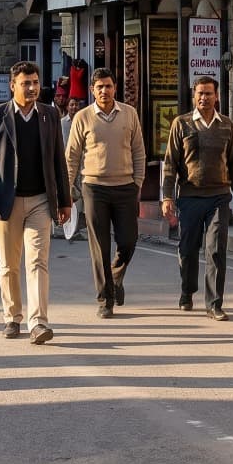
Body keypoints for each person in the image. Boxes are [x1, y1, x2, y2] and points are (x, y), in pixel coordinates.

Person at [0, 62, 70, 343]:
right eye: (25, 83)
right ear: (12, 85)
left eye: (35, 82)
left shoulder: (50, 114)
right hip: (7, 201)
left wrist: (64, 201)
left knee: (38, 261)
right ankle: (12, 317)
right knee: (9, 264)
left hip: (41, 199)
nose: (32, 88)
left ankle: (38, 322)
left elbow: (58, 161)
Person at [161, 76, 233, 321]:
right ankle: (187, 292)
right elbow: (170, 165)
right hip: (189, 197)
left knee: (216, 250)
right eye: (200, 93)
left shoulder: (226, 126)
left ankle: (214, 303)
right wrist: (167, 196)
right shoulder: (182, 124)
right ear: (193, 96)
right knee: (187, 249)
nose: (204, 98)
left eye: (209, 93)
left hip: (219, 197)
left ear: (216, 96)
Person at [66, 69, 146, 319]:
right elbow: (72, 157)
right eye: (99, 87)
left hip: (125, 187)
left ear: (115, 87)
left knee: (128, 241)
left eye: (108, 86)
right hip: (94, 188)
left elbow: (139, 151)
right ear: (92, 90)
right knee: (99, 246)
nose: (104, 91)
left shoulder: (129, 114)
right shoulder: (83, 117)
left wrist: (137, 183)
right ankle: (105, 299)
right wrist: (67, 189)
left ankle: (115, 277)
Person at [59, 97, 88, 242]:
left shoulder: (84, 121)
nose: (74, 107)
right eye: (72, 104)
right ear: (67, 107)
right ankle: (67, 225)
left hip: (82, 163)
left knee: (80, 193)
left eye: (76, 104)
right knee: (68, 192)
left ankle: (78, 226)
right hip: (66, 163)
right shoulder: (62, 123)